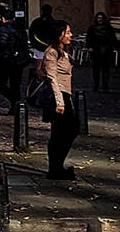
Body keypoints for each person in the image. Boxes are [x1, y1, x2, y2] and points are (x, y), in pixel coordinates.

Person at [35, 21, 80, 180]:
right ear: (59, 34)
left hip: (65, 94)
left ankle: (56, 167)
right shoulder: (52, 52)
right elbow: (52, 77)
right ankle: (55, 168)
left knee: (64, 132)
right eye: (67, 32)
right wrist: (60, 102)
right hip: (58, 96)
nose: (70, 35)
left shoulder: (62, 50)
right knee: (66, 131)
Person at [0, 16, 31, 109]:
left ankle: (15, 102)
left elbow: (2, 43)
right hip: (19, 60)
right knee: (15, 84)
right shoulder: (20, 28)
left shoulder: (4, 28)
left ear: (3, 18)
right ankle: (16, 106)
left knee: (0, 83)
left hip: (6, 59)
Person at [85, 13, 118, 93]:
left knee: (105, 69)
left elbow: (113, 39)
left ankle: (105, 86)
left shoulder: (109, 28)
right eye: (98, 18)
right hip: (96, 51)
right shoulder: (92, 28)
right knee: (96, 69)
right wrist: (89, 47)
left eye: (101, 18)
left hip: (106, 50)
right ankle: (96, 85)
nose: (100, 19)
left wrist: (118, 48)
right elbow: (88, 38)